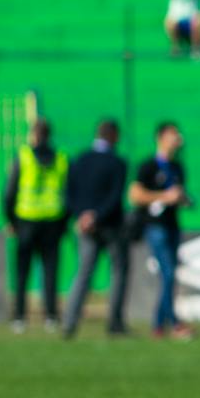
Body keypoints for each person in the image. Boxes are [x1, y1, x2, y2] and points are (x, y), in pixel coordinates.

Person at [61, 119, 132, 339]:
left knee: (83, 273)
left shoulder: (79, 160)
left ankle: (69, 322)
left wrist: (82, 216)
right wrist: (97, 215)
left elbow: (68, 193)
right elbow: (115, 196)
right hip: (111, 226)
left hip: (85, 227)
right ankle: (115, 322)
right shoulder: (118, 163)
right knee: (118, 271)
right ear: (114, 136)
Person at [1, 118, 67, 333]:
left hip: (26, 220)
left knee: (22, 272)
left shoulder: (23, 156)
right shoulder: (60, 158)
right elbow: (67, 193)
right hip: (53, 220)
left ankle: (19, 317)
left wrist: (10, 220)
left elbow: (9, 192)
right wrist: (64, 222)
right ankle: (51, 316)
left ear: (33, 135)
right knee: (50, 271)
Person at [129, 122, 193, 341]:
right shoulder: (148, 166)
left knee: (169, 274)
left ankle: (159, 325)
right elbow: (135, 195)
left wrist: (183, 199)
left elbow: (180, 195)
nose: (177, 139)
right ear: (161, 137)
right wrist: (164, 197)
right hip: (154, 226)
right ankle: (173, 323)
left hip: (172, 225)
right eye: (173, 134)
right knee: (168, 272)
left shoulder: (177, 167)